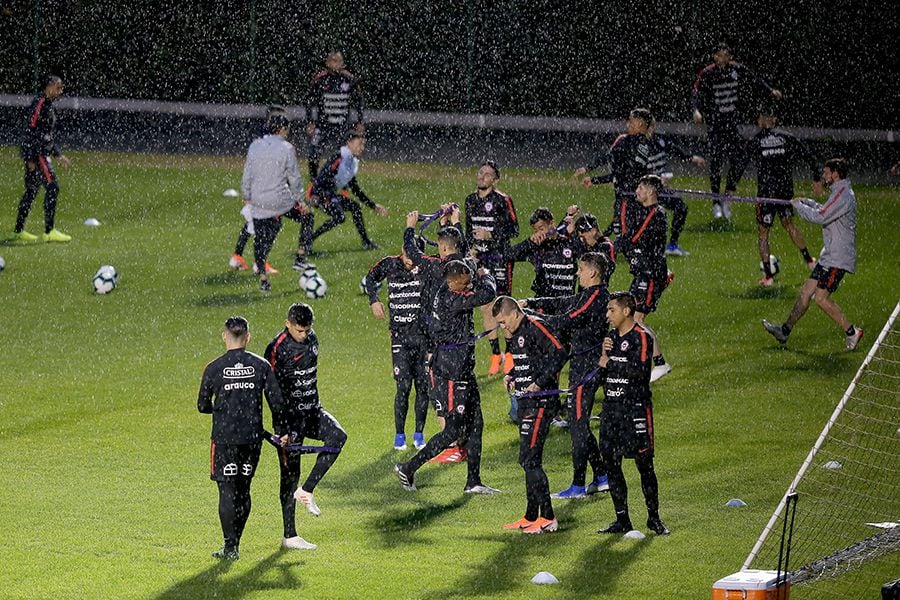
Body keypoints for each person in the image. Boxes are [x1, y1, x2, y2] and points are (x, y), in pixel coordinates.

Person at [394, 258, 500, 495]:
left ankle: (473, 482)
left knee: (477, 424)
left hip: (461, 368)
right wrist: (485, 274)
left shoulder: (447, 290)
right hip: (451, 373)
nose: (469, 284)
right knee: (453, 430)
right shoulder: (451, 298)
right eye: (465, 282)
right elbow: (487, 294)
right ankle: (408, 467)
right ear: (453, 282)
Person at [521, 252, 611, 499]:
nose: (577, 273)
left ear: (592, 272)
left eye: (581, 270)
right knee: (577, 423)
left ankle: (578, 485)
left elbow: (566, 319)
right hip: (582, 364)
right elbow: (564, 302)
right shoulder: (589, 295)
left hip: (587, 368)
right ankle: (602, 476)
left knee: (578, 426)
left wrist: (532, 319)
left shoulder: (595, 298)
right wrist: (533, 302)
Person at [198, 316, 286, 560]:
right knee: (243, 489)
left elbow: (202, 406)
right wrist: (281, 431)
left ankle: (230, 547)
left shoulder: (214, 368)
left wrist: (223, 406)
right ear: (248, 337)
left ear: (224, 335)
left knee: (226, 491)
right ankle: (236, 542)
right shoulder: (261, 366)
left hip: (224, 439)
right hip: (252, 438)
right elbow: (277, 403)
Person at [265, 303, 347, 551]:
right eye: (299, 330)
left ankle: (308, 491)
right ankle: (289, 536)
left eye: (306, 330)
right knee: (289, 476)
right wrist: (282, 429)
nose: (303, 334)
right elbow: (272, 390)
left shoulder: (312, 338)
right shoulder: (277, 348)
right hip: (290, 421)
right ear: (288, 323)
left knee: (338, 437)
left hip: (312, 411)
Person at [763, 158, 864, 351]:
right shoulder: (840, 192)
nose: (824, 176)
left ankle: (852, 332)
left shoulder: (843, 194)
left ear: (835, 174)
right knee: (806, 291)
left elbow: (820, 216)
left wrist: (799, 207)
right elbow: (824, 209)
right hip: (830, 256)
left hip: (838, 259)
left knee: (820, 298)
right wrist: (806, 202)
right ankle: (784, 331)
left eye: (826, 172)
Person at [493, 296, 568, 534]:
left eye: (504, 322)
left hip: (541, 403)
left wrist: (539, 382)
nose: (502, 327)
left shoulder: (535, 326)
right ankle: (530, 515)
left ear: (514, 313)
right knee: (527, 460)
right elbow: (530, 359)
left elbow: (559, 353)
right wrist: (513, 374)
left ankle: (548, 517)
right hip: (526, 403)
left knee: (530, 459)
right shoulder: (517, 334)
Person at [597, 293, 669, 536]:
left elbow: (639, 371)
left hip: (635, 409)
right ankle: (622, 519)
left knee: (644, 464)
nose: (607, 315)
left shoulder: (641, 337)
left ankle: (654, 518)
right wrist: (603, 359)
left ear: (626, 311)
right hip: (611, 410)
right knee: (611, 464)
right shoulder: (609, 338)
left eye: (611, 310)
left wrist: (610, 362)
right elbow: (602, 374)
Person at [692, 43, 783, 220]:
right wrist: (696, 110)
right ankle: (716, 202)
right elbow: (695, 92)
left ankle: (728, 196)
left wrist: (770, 90)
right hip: (716, 126)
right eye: (720, 55)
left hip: (732, 124)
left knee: (739, 161)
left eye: (726, 55)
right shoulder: (708, 73)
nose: (724, 58)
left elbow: (754, 79)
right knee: (716, 164)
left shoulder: (736, 69)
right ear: (715, 57)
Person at [734, 105, 821, 286]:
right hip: (781, 192)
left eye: (764, 116)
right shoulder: (785, 137)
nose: (763, 120)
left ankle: (771, 275)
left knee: (766, 232)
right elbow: (808, 154)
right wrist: (816, 177)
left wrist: (730, 187)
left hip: (768, 195)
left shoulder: (757, 140)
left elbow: (740, 163)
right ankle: (808, 262)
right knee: (786, 226)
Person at [364, 241, 429, 451]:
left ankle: (419, 434)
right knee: (403, 386)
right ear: (401, 252)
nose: (411, 263)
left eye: (415, 257)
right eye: (408, 257)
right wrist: (374, 299)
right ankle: (399, 435)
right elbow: (370, 278)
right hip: (400, 338)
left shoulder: (426, 265)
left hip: (423, 338)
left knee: (422, 386)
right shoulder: (390, 264)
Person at [239, 113, 308, 293]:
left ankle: (263, 280)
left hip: (259, 201)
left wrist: (247, 195)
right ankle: (300, 257)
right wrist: (300, 200)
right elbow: (294, 177)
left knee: (261, 239)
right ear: (282, 129)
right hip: (280, 200)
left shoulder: (255, 146)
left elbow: (247, 173)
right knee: (307, 217)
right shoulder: (286, 148)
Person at [463, 160, 519, 375]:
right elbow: (469, 233)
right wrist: (473, 251)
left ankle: (511, 354)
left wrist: (492, 235)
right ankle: (496, 354)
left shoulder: (503, 201)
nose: (482, 176)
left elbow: (514, 230)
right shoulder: (470, 201)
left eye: (487, 174)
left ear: (495, 180)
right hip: (481, 260)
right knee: (485, 307)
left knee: (503, 306)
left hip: (500, 258)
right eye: (480, 172)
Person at [615, 175, 672, 382]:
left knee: (636, 319)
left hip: (650, 275)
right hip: (643, 273)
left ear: (650, 191)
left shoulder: (655, 214)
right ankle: (639, 361)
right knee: (632, 318)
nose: (636, 190)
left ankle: (660, 363)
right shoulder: (647, 213)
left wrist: (612, 247)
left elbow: (634, 237)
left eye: (640, 187)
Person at [299, 132, 387, 263]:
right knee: (339, 217)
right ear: (349, 143)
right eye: (359, 144)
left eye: (363, 144)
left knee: (355, 207)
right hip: (319, 193)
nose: (361, 147)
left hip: (329, 193)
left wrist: (373, 206)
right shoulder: (339, 158)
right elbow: (322, 177)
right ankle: (308, 240)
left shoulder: (351, 161)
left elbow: (355, 189)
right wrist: (316, 196)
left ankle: (366, 242)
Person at [230, 105, 292, 275]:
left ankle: (239, 257)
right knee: (271, 223)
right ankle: (260, 263)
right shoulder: (272, 141)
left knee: (254, 223)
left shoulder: (263, 138)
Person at [11, 75, 73, 243]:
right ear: (49, 87)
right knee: (52, 187)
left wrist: (58, 154)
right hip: (38, 155)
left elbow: (46, 135)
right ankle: (49, 231)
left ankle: (18, 231)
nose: (61, 91)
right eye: (58, 87)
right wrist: (29, 157)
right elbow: (30, 130)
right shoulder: (40, 103)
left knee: (31, 191)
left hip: (38, 153)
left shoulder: (46, 104)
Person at [576, 108, 653, 237]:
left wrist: (588, 169)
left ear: (640, 124)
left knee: (622, 233)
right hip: (639, 195)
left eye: (631, 121)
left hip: (625, 196)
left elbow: (610, 160)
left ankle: (609, 248)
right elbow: (624, 174)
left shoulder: (626, 141)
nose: (628, 124)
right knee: (628, 229)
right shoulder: (646, 144)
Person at [645, 118, 707, 256]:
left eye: (653, 126)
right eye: (649, 126)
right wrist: (655, 180)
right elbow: (637, 172)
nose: (652, 129)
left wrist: (692, 158)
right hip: (645, 190)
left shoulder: (659, 139)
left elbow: (674, 150)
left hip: (660, 189)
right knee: (652, 217)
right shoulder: (639, 145)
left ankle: (672, 245)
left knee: (681, 207)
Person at [305, 49, 365, 181]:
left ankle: (343, 185)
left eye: (338, 61)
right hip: (323, 125)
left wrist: (360, 122)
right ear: (327, 63)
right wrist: (310, 122)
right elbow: (309, 101)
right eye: (333, 61)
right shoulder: (320, 79)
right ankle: (313, 183)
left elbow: (359, 100)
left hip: (342, 126)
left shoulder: (349, 79)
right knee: (313, 153)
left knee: (345, 156)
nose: (336, 64)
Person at [506, 207, 581, 298]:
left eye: (541, 229)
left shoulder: (569, 243)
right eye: (536, 230)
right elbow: (508, 255)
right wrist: (529, 242)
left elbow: (589, 254)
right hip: (542, 303)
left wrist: (573, 234)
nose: (539, 233)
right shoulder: (536, 248)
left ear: (552, 223)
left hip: (566, 303)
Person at [572, 213, 616, 285]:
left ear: (593, 231)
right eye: (580, 236)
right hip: (584, 292)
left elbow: (608, 269)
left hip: (597, 292)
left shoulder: (607, 246)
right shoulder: (587, 245)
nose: (582, 239)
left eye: (583, 235)